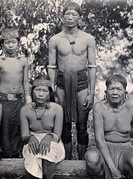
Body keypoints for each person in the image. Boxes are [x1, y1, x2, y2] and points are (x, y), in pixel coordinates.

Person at [47, 1, 97, 160]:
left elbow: (92, 66)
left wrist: (92, 92)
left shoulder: (88, 39)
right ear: (62, 17)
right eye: (67, 14)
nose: (70, 17)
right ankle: (67, 160)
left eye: (74, 14)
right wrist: (52, 88)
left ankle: (82, 162)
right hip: (62, 82)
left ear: (79, 18)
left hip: (81, 82)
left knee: (82, 125)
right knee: (64, 125)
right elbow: (52, 66)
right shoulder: (55, 39)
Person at [20, 74, 65, 179]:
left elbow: (57, 136)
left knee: (48, 151)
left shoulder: (57, 109)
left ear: (49, 93)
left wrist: (48, 137)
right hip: (32, 140)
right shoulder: (25, 110)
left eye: (44, 91)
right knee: (30, 151)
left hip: (53, 141)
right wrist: (30, 138)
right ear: (32, 91)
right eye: (37, 90)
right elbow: (24, 134)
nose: (40, 94)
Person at [0, 27, 32, 157]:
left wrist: (28, 100)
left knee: (19, 128)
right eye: (7, 42)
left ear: (18, 43)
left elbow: (25, 82)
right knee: (5, 128)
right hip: (3, 100)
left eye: (13, 42)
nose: (11, 45)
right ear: (2, 45)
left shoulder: (23, 61)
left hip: (19, 100)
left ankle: (18, 157)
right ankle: (4, 157)